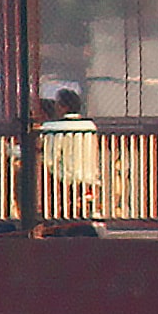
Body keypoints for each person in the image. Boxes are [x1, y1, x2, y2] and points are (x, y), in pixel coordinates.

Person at [37, 84, 102, 232]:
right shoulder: (90, 126)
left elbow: (49, 159)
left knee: (62, 216)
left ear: (63, 107)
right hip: (89, 177)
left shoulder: (53, 127)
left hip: (65, 180)